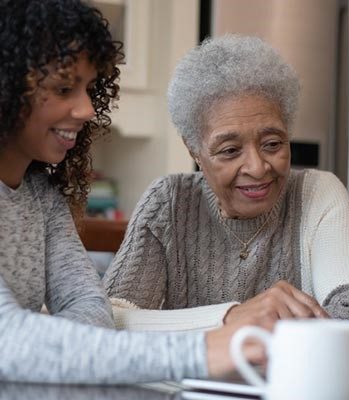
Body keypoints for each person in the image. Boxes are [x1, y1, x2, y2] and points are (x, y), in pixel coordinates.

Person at [0, 2, 263, 385]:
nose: (88, 108)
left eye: (89, 88)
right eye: (63, 88)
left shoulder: (42, 198)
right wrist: (202, 351)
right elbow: (7, 341)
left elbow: (90, 307)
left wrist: (57, 352)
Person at [104, 35, 349, 330]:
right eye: (230, 150)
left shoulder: (318, 193)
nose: (257, 167)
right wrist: (229, 317)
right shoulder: (168, 203)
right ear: (195, 152)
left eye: (273, 143)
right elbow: (108, 318)